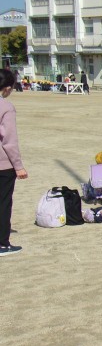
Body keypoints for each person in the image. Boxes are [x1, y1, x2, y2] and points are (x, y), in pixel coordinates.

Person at [0, 69, 28, 256]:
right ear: (7, 88)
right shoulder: (6, 107)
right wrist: (18, 166)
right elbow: (9, 141)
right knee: (3, 203)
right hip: (3, 164)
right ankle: (3, 244)